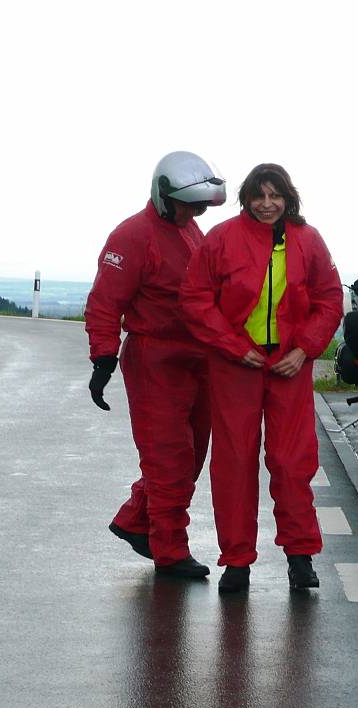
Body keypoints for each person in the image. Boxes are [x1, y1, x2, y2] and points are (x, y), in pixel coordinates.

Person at [179, 163, 343, 593]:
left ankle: (300, 557)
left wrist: (304, 349)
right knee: (234, 463)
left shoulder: (308, 240)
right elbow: (195, 298)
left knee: (292, 462)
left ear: (289, 198)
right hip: (236, 366)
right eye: (258, 195)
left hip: (289, 365)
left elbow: (329, 298)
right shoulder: (223, 238)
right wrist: (235, 348)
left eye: (275, 196)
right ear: (246, 199)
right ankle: (237, 561)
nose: (267, 204)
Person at [84, 150, 226, 579]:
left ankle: (134, 521)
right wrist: (103, 359)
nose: (196, 211)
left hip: (196, 359)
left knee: (193, 455)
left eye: (201, 205)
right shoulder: (132, 236)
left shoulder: (190, 231)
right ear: (164, 194)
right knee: (169, 459)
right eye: (190, 204)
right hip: (154, 359)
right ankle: (170, 550)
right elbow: (105, 303)